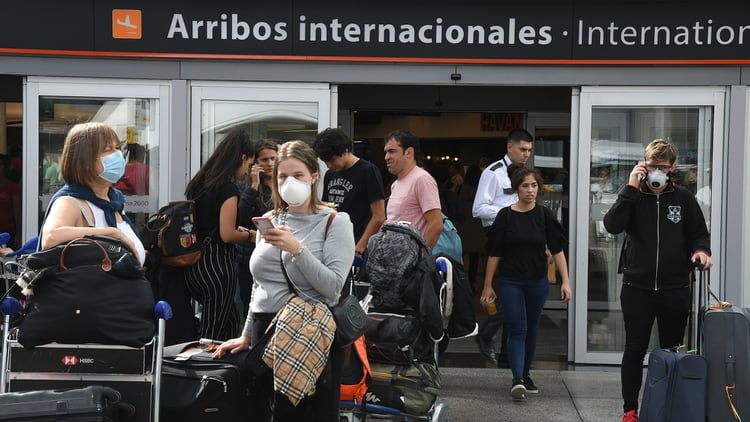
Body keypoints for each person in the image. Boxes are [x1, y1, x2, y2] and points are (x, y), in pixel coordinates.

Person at [214, 140, 355, 422]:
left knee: (305, 415)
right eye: (283, 176)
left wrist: (296, 249)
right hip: (267, 333)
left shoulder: (334, 222)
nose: (289, 182)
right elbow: (259, 283)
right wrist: (247, 334)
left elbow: (333, 287)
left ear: (314, 176)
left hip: (308, 334)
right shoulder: (269, 219)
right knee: (266, 413)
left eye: (298, 175)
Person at [603, 139, 712, 422]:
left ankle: (668, 407)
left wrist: (701, 251)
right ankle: (630, 410)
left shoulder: (684, 198)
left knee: (672, 350)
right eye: (652, 166)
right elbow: (612, 225)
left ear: (673, 168)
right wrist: (630, 187)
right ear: (644, 164)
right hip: (637, 287)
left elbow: (699, 233)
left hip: (675, 287)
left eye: (662, 167)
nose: (657, 172)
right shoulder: (633, 195)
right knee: (634, 349)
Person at [481, 164, 571, 400]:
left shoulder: (544, 215)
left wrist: (566, 281)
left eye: (534, 185)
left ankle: (526, 374)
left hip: (537, 283)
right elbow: (495, 252)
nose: (530, 190)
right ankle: (517, 378)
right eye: (525, 186)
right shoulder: (506, 216)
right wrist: (488, 284)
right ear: (516, 189)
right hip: (511, 281)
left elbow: (557, 249)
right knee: (518, 328)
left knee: (531, 330)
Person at [184, 128, 256, 341]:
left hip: (194, 262)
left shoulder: (199, 183)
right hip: (217, 266)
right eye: (248, 164)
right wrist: (250, 235)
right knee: (211, 333)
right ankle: (203, 372)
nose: (246, 170)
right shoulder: (227, 188)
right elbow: (227, 234)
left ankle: (228, 369)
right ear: (242, 158)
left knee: (231, 322)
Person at [39, 122, 145, 265]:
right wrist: (112, 233)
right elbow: (50, 237)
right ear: (85, 161)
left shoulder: (115, 201)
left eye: (118, 148)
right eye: (108, 150)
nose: (118, 155)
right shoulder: (70, 202)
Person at [472, 128, 534, 367]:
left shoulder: (525, 173)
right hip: (500, 234)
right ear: (510, 147)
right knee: (513, 290)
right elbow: (478, 209)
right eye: (522, 149)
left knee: (518, 292)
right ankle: (489, 337)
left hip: (520, 235)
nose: (526, 154)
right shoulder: (493, 172)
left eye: (529, 150)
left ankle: (508, 352)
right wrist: (508, 214)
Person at [313, 127, 385, 256]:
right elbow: (326, 210)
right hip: (333, 242)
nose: (328, 165)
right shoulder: (330, 174)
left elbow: (379, 216)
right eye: (325, 161)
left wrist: (361, 246)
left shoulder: (368, 171)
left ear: (345, 151)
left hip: (358, 242)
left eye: (332, 160)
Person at [235, 139, 279, 320]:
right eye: (264, 159)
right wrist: (253, 186)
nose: (269, 164)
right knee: (251, 303)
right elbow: (240, 218)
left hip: (277, 253)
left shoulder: (283, 183)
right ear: (255, 163)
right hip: (250, 255)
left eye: (273, 159)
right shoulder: (245, 186)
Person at [383, 129, 442, 249]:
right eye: (386, 152)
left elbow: (436, 224)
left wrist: (420, 258)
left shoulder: (422, 179)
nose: (386, 157)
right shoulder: (395, 184)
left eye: (392, 151)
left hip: (411, 262)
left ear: (409, 152)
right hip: (393, 259)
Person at [0, 154, 21, 249]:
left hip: (7, 230)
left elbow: (17, 211)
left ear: (5, 167)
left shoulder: (12, 187)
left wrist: (19, 233)